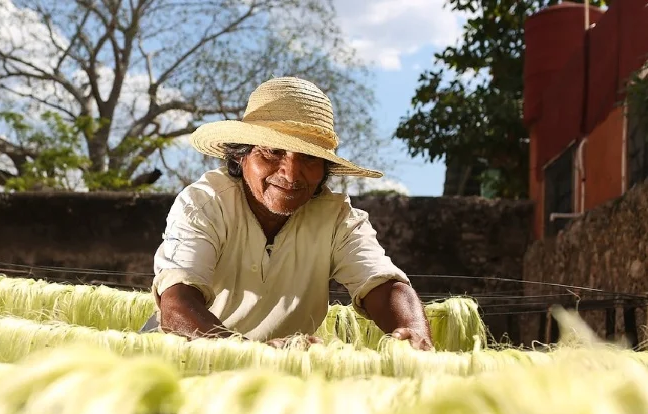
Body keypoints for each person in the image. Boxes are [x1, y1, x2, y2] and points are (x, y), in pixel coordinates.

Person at [146, 76, 433, 350]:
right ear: (240, 155)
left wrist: (414, 332)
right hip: (174, 366)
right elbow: (177, 304)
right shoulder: (205, 203)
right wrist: (252, 354)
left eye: (309, 158)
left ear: (324, 170)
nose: (291, 174)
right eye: (273, 152)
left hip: (282, 374)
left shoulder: (337, 218)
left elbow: (384, 285)